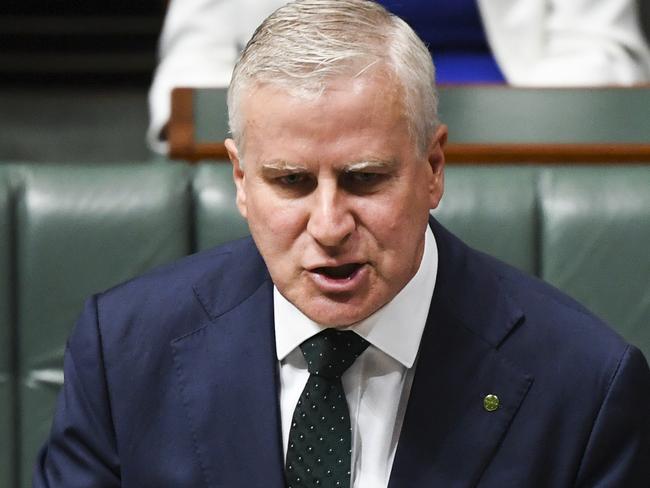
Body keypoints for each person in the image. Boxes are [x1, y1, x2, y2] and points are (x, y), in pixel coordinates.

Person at [35, 1, 649, 486]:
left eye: (364, 179)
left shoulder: (587, 386)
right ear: (241, 181)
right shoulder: (121, 350)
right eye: (291, 182)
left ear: (433, 168)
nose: (329, 227)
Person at [147, 0, 650, 154]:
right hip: (312, 136)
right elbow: (197, 54)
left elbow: (602, 51)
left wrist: (507, 139)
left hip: (526, 134)